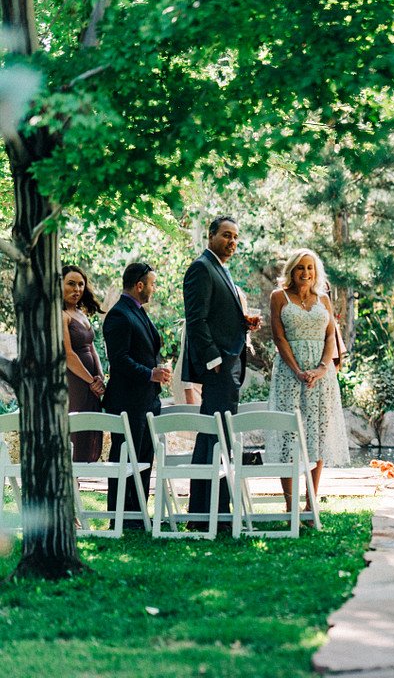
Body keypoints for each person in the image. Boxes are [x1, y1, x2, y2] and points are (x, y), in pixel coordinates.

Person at [182, 216, 260, 528]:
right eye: (226, 235)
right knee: (214, 436)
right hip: (218, 368)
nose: (232, 241)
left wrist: (243, 323)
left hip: (229, 365)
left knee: (220, 436)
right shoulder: (201, 268)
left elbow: (217, 317)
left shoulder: (220, 268)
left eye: (236, 237)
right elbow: (196, 319)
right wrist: (214, 360)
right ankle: (205, 515)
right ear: (211, 235)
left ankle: (216, 512)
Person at [266, 249, 349, 515]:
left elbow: (329, 338)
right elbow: (279, 338)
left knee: (318, 436)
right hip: (289, 374)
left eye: (310, 268)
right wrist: (298, 370)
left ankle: (310, 503)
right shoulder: (279, 297)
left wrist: (322, 369)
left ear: (316, 271)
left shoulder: (323, 299)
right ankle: (290, 507)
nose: (306, 273)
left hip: (321, 378)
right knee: (288, 437)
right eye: (300, 268)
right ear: (291, 271)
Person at [101, 262, 171, 528]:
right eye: (152, 284)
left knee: (143, 458)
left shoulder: (138, 311)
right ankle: (118, 516)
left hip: (146, 400)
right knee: (125, 458)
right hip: (128, 401)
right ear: (139, 285)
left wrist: (156, 373)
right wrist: (149, 374)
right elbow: (119, 360)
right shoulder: (119, 315)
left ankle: (137, 514)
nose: (154, 289)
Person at [61, 265, 106, 462]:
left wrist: (101, 376)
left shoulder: (81, 313)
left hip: (91, 386)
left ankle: (78, 485)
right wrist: (91, 381)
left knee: (89, 433)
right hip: (75, 384)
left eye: (80, 284)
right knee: (75, 437)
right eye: (71, 284)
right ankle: (71, 485)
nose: (77, 289)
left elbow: (92, 348)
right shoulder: (60, 315)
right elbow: (68, 354)